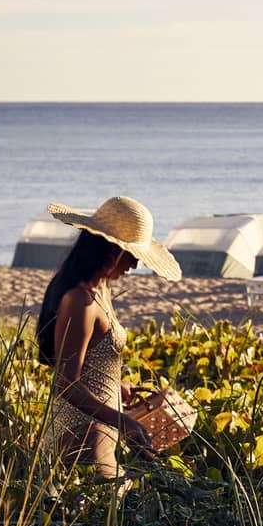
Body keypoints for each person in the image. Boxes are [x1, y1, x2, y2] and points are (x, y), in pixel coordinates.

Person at [37, 196, 183, 477]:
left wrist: (117, 385)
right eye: (132, 254)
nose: (135, 264)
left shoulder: (101, 291)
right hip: (80, 434)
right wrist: (123, 421)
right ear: (111, 249)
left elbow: (91, 362)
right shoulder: (79, 300)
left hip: (101, 429)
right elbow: (66, 384)